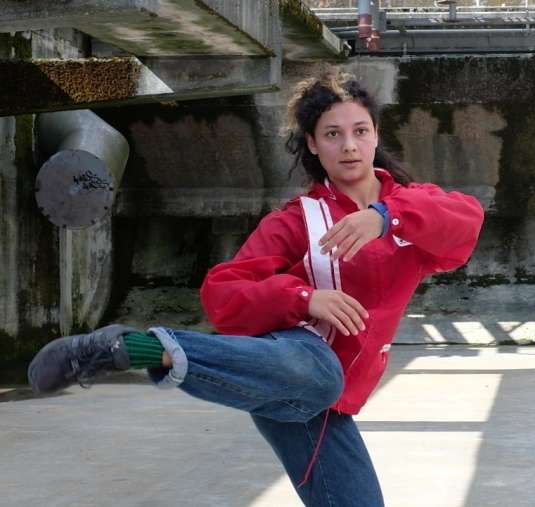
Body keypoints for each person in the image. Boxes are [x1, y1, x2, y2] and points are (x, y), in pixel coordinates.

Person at [27, 68, 485, 506]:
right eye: (332, 134)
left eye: (360, 131)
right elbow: (222, 293)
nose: (349, 145)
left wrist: (383, 217)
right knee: (322, 375)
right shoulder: (296, 220)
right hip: (292, 367)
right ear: (313, 144)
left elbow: (466, 220)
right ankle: (131, 349)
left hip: (329, 404)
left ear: (376, 135)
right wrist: (306, 298)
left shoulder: (411, 208)